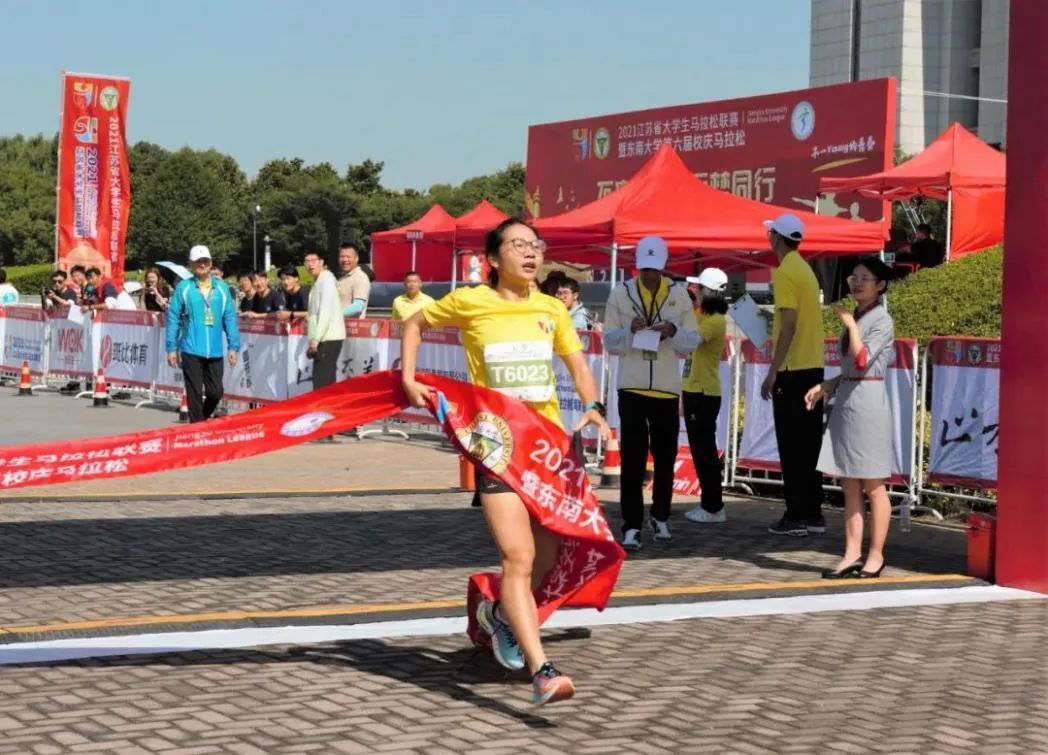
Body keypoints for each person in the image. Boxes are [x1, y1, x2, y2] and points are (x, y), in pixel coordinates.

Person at [400, 218, 609, 706]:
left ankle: (498, 616)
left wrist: (593, 404)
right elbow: (415, 323)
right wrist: (409, 378)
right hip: (498, 447)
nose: (531, 254)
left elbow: (577, 363)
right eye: (518, 246)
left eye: (535, 245)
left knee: (550, 556)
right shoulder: (471, 301)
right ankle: (542, 670)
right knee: (518, 557)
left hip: (548, 447)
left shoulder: (552, 307)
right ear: (493, 260)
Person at [604, 236, 699, 551]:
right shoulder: (621, 293)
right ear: (637, 266)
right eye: (645, 269)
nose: (649, 275)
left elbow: (692, 341)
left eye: (655, 270)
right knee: (631, 460)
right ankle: (631, 525)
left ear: (664, 268)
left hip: (666, 389)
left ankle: (660, 516)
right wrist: (630, 330)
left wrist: (673, 331)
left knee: (666, 457)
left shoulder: (679, 296)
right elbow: (609, 341)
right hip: (631, 386)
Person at [806, 258, 896, 579]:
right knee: (849, 484)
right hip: (847, 400)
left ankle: (876, 555)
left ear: (880, 285)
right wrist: (826, 386)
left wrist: (852, 326)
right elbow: (848, 371)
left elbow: (861, 360)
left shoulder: (882, 320)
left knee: (873, 484)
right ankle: (851, 553)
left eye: (865, 278)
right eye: (853, 277)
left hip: (869, 403)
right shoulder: (857, 315)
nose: (857, 283)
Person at [760, 213, 827, 536]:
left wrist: (772, 371)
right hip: (812, 366)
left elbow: (788, 324)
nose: (768, 237)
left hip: (792, 369)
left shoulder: (786, 271)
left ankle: (796, 514)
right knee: (809, 444)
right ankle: (812, 513)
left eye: (770, 233)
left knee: (791, 444)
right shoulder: (804, 269)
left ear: (777, 238)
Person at [165, 246, 240, 423]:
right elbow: (173, 317)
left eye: (205, 261)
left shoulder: (221, 288)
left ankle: (201, 419)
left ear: (211, 263)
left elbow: (229, 317)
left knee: (215, 392)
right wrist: (171, 348)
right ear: (191, 264)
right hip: (191, 348)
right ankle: (197, 428)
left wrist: (233, 346)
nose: (202, 264)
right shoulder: (184, 287)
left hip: (215, 350)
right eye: (198, 261)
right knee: (194, 392)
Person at [682, 268, 729, 524]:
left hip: (703, 392)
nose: (695, 293)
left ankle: (713, 506)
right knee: (701, 450)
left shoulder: (714, 321)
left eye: (698, 289)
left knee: (704, 452)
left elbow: (689, 340)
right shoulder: (704, 316)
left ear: (707, 292)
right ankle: (710, 503)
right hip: (696, 390)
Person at [304, 251, 345, 391]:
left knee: (322, 382)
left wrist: (315, 339)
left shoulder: (326, 280)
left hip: (327, 337)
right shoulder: (319, 280)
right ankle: (326, 411)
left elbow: (325, 312)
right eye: (307, 261)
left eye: (313, 260)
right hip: (323, 337)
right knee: (324, 381)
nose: (310, 264)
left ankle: (323, 411)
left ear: (322, 262)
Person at [337, 243, 371, 319]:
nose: (345, 260)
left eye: (348, 257)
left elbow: (357, 307)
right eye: (342, 256)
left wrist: (332, 315)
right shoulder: (342, 278)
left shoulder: (360, 277)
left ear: (356, 258)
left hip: (352, 329)